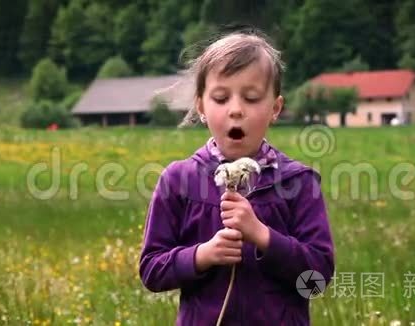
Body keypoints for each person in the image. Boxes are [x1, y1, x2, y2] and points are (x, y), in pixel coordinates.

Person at [139, 31, 335, 325]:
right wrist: (202, 255)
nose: (236, 110)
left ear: (275, 109)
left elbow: (316, 280)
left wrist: (263, 236)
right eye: (220, 98)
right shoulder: (178, 181)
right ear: (202, 107)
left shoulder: (299, 183)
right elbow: (152, 271)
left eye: (252, 98)